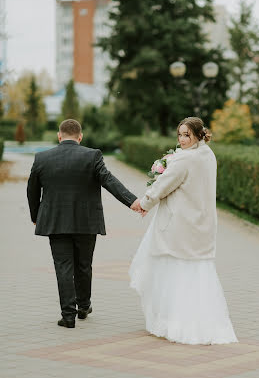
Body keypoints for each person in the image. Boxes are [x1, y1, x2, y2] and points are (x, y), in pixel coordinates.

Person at [130, 117, 238, 345]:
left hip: (179, 225)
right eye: (179, 134)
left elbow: (163, 185)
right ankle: (203, 323)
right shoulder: (208, 155)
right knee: (198, 274)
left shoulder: (184, 159)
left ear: (199, 135)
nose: (182, 139)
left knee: (174, 273)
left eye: (187, 135)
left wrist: (145, 203)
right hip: (202, 224)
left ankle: (175, 323)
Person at [27, 119, 143, 328]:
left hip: (55, 221)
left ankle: (68, 316)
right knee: (83, 265)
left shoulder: (42, 158)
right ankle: (83, 306)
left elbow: (32, 190)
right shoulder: (92, 156)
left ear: (59, 136)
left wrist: (36, 215)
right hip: (86, 221)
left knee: (63, 266)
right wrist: (132, 201)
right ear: (80, 137)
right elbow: (109, 180)